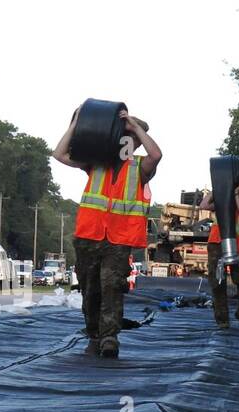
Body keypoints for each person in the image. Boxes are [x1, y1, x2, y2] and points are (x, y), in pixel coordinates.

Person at [53, 105, 161, 358]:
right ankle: (94, 331)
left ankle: (109, 337)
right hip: (89, 236)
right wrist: (76, 122)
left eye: (132, 137)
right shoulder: (96, 161)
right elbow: (59, 154)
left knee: (112, 285)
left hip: (119, 240)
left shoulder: (140, 167)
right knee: (91, 289)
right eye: (123, 134)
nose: (126, 140)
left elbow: (156, 154)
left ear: (136, 142)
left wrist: (135, 126)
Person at [199, 175, 239, 329]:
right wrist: (221, 186)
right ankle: (223, 320)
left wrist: (234, 194)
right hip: (217, 244)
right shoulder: (226, 200)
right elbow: (204, 205)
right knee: (217, 283)